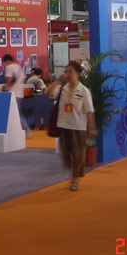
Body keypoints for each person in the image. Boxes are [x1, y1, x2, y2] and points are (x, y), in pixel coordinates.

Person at [46, 61, 96, 191]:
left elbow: (89, 111)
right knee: (65, 154)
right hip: (63, 125)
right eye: (66, 71)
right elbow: (48, 92)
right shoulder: (62, 88)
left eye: (70, 72)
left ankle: (74, 179)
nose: (68, 74)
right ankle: (74, 170)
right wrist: (58, 81)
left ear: (78, 73)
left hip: (78, 127)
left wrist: (91, 127)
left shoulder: (84, 91)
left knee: (78, 155)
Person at [2, 53, 32, 138]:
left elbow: (9, 80)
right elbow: (23, 79)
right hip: (19, 93)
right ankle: (20, 131)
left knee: (16, 114)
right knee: (17, 113)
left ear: (6, 61)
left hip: (12, 94)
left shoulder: (9, 67)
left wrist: (4, 87)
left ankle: (26, 130)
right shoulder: (19, 67)